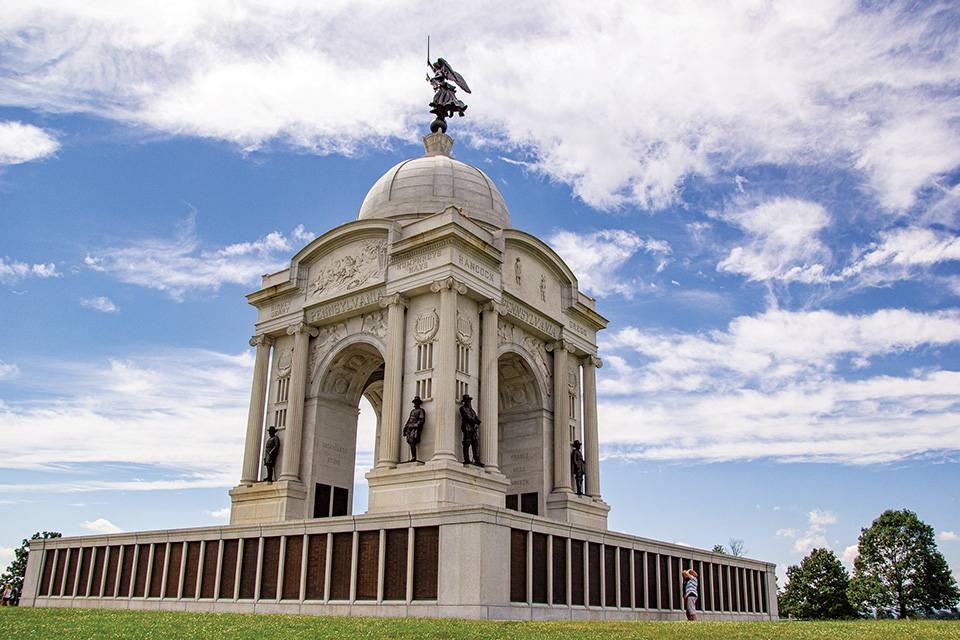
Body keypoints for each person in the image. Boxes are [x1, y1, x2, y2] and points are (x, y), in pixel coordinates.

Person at [459, 394, 483, 466]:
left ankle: (477, 459)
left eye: (469, 400)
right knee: (467, 443)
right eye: (468, 400)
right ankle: (467, 459)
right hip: (467, 428)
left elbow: (476, 417)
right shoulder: (463, 408)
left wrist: (478, 421)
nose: (469, 402)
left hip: (473, 429)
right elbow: (467, 417)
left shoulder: (471, 410)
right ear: (465, 401)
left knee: (475, 444)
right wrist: (475, 421)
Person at [402, 396, 425, 461]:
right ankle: (413, 456)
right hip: (409, 428)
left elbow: (421, 420)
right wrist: (405, 428)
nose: (415, 404)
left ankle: (414, 457)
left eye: (416, 402)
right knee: (409, 441)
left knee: (412, 442)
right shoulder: (412, 411)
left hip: (414, 429)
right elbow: (409, 420)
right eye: (414, 402)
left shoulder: (420, 410)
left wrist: (415, 425)